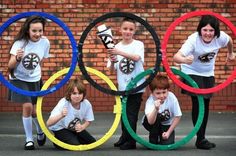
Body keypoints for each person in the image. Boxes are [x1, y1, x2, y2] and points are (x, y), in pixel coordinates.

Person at [173, 15, 235, 149]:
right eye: (205, 30)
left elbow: (230, 40)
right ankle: (200, 139)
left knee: (205, 104)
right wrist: (184, 60)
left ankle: (202, 138)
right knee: (199, 101)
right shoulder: (193, 40)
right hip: (191, 72)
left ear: (216, 32)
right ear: (200, 29)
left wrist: (230, 53)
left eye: (211, 30)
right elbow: (176, 57)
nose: (208, 33)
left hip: (208, 73)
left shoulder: (221, 37)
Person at [8, 15, 50, 150]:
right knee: (27, 107)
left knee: (34, 111)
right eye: (34, 31)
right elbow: (10, 65)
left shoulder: (45, 42)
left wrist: (37, 75)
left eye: (40, 31)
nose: (37, 34)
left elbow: (41, 61)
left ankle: (40, 131)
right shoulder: (19, 43)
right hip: (18, 78)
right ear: (28, 30)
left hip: (35, 79)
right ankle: (29, 139)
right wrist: (18, 58)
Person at [107, 17, 145, 150]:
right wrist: (112, 60)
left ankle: (131, 141)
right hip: (122, 87)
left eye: (131, 29)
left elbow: (136, 58)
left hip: (136, 86)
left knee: (131, 114)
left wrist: (118, 52)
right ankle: (124, 137)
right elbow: (111, 70)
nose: (127, 32)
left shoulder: (138, 45)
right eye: (125, 29)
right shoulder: (115, 47)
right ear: (120, 30)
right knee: (123, 113)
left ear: (134, 31)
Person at [46, 79, 96, 150]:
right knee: (75, 145)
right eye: (74, 93)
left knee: (92, 142)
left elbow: (89, 120)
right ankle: (57, 141)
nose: (77, 96)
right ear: (69, 94)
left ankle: (71, 136)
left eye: (80, 93)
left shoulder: (86, 103)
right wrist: (61, 115)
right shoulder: (63, 103)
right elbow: (48, 123)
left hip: (72, 128)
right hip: (60, 128)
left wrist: (83, 126)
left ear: (83, 94)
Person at [142, 74, 182, 145]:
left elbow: (178, 116)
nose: (161, 96)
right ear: (152, 93)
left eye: (164, 92)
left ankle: (162, 135)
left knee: (167, 143)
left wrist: (168, 132)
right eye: (158, 93)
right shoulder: (150, 101)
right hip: (151, 124)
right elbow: (150, 122)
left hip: (167, 125)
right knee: (156, 116)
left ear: (168, 90)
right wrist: (156, 109)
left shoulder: (171, 97)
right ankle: (153, 138)